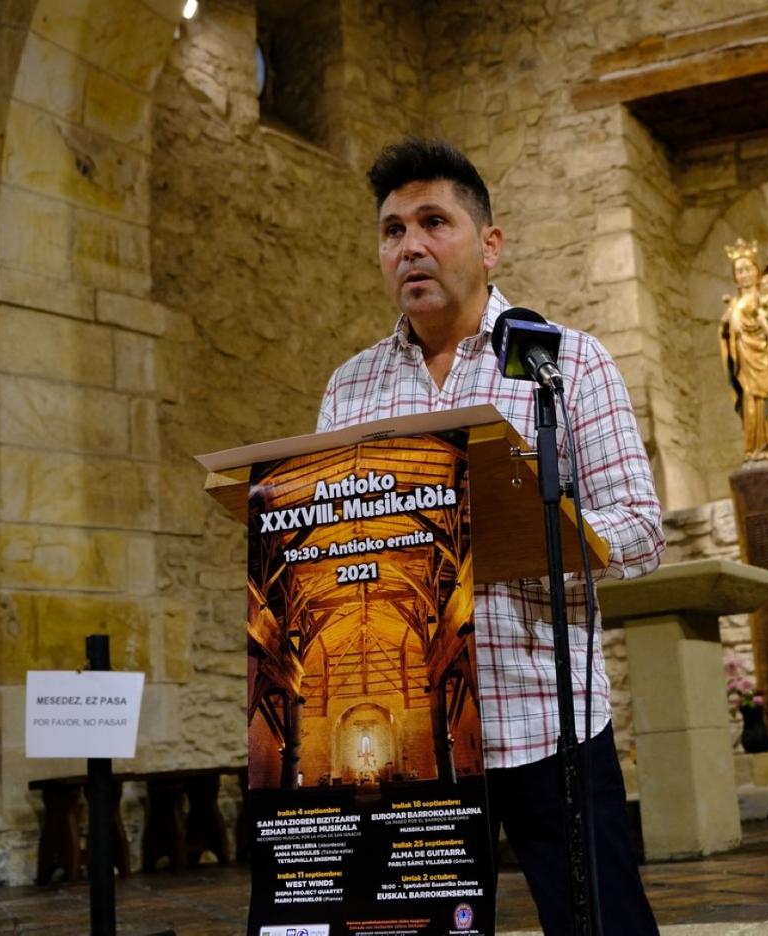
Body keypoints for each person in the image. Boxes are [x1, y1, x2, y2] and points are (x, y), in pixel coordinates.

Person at [318, 138, 663, 935]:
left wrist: (521, 536)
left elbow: (642, 530)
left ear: (490, 243)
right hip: (411, 733)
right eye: (393, 230)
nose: (410, 246)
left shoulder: (567, 363)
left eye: (433, 222)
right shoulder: (350, 388)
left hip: (547, 716)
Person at [719, 238, 768, 459]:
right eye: (739, 271)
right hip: (745, 358)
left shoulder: (767, 298)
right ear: (735, 276)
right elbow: (726, 331)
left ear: (756, 271)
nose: (744, 275)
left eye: (747, 269)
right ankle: (754, 448)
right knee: (750, 401)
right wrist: (726, 327)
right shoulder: (734, 303)